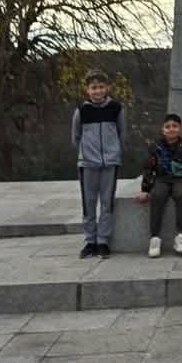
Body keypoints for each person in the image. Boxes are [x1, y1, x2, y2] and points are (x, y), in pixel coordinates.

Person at [71, 69, 126, 258]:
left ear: (107, 88)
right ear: (87, 89)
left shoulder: (116, 108)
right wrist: (85, 153)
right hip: (87, 163)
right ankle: (90, 241)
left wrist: (115, 152)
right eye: (94, 88)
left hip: (110, 162)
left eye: (101, 87)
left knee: (106, 203)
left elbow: (122, 133)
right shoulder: (81, 110)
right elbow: (76, 136)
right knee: (89, 203)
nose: (97, 91)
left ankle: (103, 241)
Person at [136, 114, 182, 257]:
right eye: (168, 127)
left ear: (180, 128)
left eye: (175, 126)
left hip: (180, 179)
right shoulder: (155, 146)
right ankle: (155, 237)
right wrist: (145, 189)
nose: (171, 129)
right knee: (157, 195)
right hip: (162, 179)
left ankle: (181, 236)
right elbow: (148, 168)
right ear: (163, 129)